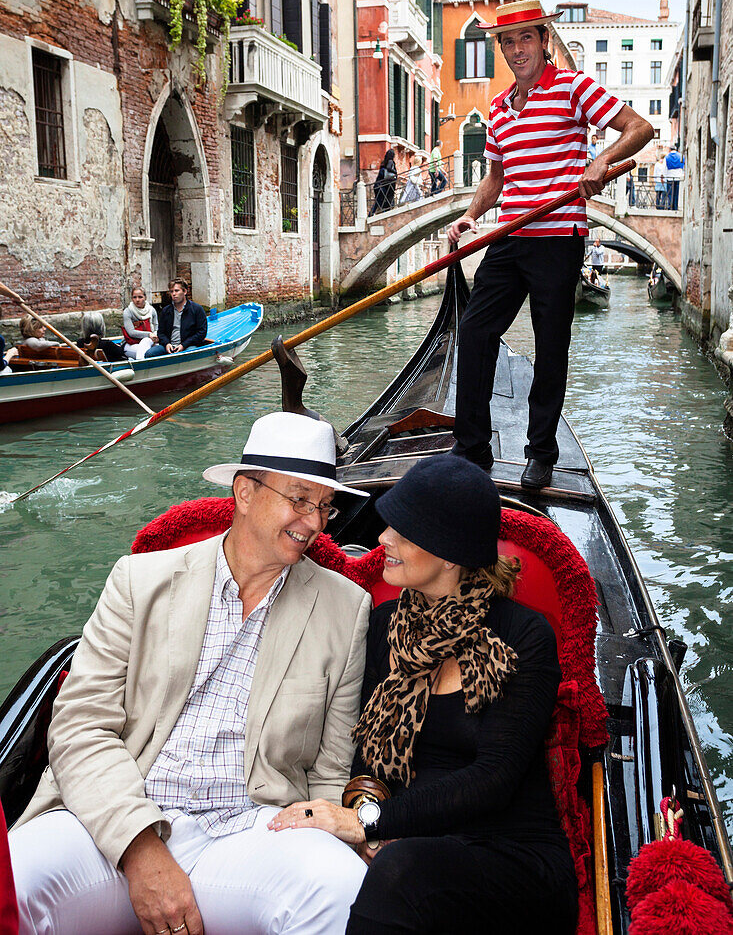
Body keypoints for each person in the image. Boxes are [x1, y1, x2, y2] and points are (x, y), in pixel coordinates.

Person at [10, 412, 371, 935]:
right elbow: (79, 726)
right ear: (245, 492)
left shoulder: (345, 608)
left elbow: (330, 769)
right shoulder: (140, 581)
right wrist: (140, 851)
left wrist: (341, 832)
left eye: (323, 506)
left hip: (252, 832)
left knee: (341, 891)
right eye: (299, 499)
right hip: (119, 820)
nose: (313, 522)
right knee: (15, 877)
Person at [269, 454, 578, 935]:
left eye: (402, 532)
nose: (381, 540)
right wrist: (365, 817)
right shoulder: (383, 626)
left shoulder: (524, 636)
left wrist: (372, 822)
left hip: (510, 854)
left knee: (401, 872)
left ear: (450, 551)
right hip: (405, 838)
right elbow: (362, 751)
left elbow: (494, 779)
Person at [446, 0, 654, 488]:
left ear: (544, 41)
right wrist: (471, 216)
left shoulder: (573, 88)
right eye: (508, 41)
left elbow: (640, 128)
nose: (517, 50)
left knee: (551, 346)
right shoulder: (498, 108)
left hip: (559, 237)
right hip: (510, 235)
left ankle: (541, 452)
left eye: (526, 38)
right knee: (475, 334)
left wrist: (600, 161)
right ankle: (471, 448)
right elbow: (497, 175)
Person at [157, 278, 207, 354]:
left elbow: (201, 332)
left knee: (189, 353)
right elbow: (161, 333)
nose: (173, 294)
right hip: (169, 346)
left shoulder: (197, 309)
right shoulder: (166, 311)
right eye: (171, 291)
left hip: (189, 345)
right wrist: (167, 343)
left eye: (176, 291)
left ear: (185, 292)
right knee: (150, 353)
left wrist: (183, 345)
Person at [122, 286, 160, 360]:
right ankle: (141, 366)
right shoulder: (128, 311)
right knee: (145, 346)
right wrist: (149, 334)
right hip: (131, 343)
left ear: (145, 297)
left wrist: (155, 336)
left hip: (151, 340)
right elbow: (131, 332)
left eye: (140, 297)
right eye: (134, 297)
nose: (137, 300)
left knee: (147, 343)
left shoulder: (151, 310)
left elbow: (156, 327)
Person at [371, 150, 397, 215]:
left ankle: (372, 213)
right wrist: (395, 172)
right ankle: (383, 213)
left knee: (379, 201)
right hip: (383, 186)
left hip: (379, 185)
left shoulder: (383, 163)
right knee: (384, 200)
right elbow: (389, 168)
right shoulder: (391, 162)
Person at [664, 145, 684, 211]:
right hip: (678, 176)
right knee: (676, 193)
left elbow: (664, 168)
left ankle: (670, 206)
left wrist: (664, 176)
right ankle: (675, 206)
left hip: (670, 177)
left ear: (670, 150)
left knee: (670, 193)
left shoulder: (667, 157)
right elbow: (683, 166)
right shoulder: (681, 156)